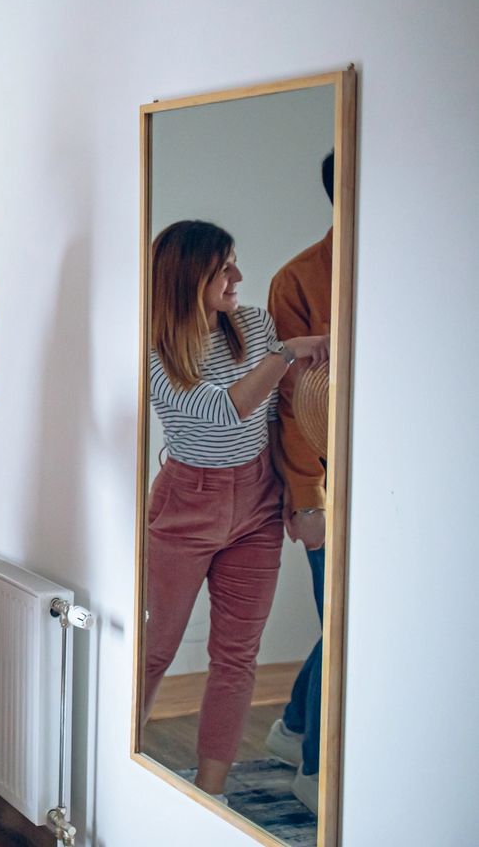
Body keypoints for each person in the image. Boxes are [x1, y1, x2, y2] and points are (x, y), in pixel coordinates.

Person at [140, 220, 329, 801]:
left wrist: (302, 497)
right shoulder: (154, 349)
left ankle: (213, 793)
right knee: (157, 650)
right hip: (185, 505)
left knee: (236, 657)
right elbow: (226, 411)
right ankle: (124, 762)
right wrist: (288, 351)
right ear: (188, 276)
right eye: (224, 266)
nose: (238, 277)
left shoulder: (252, 324)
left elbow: (279, 412)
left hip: (257, 500)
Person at [264, 151, 336, 814]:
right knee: (345, 626)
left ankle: (290, 726)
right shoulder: (300, 280)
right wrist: (306, 498)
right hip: (327, 486)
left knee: (351, 625)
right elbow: (292, 403)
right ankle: (315, 772)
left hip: (400, 482)